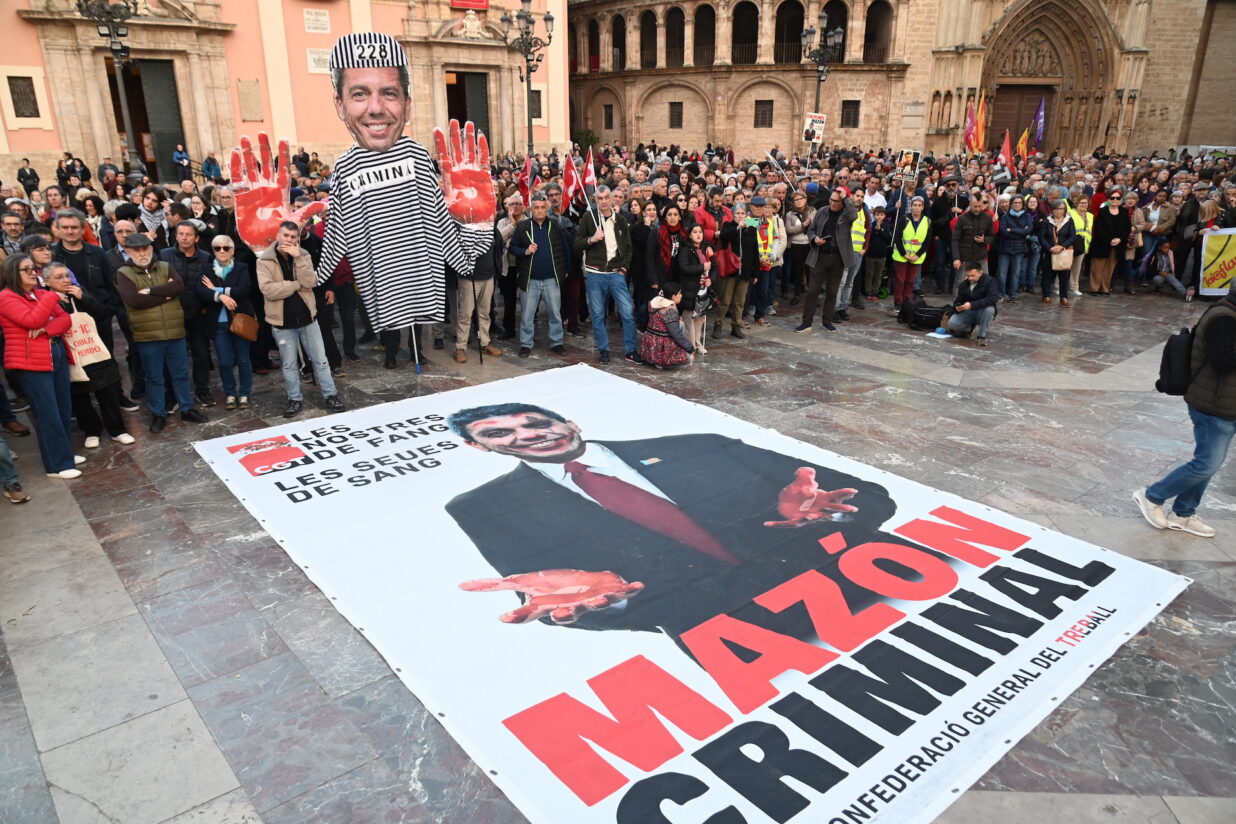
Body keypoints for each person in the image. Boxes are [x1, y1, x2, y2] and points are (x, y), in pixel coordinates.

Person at [444, 403, 895, 643]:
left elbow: (869, 495)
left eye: (536, 423)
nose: (529, 435)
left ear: (571, 423)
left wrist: (826, 517)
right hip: (744, 639)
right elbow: (552, 601)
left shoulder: (699, 444)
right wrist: (612, 601)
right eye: (500, 433)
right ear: (478, 447)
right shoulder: (481, 507)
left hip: (878, 579)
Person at [1134, 284, 1236, 538]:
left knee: (1209, 462)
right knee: (1206, 464)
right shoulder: (1224, 317)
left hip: (1227, 403)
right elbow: (1223, 361)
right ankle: (1152, 496)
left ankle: (1183, 513)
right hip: (1212, 403)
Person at [115, 234, 209, 432]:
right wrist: (165, 295)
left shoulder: (165, 266)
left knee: (180, 373)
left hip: (175, 331)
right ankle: (158, 414)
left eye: (145, 248)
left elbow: (178, 286)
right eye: (137, 250)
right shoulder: (124, 273)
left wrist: (149, 291)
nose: (142, 253)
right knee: (154, 377)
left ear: (151, 249)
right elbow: (134, 301)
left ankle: (187, 408)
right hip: (148, 335)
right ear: (129, 252)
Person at [0, 254, 81, 478]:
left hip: (55, 355)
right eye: (26, 270)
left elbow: (65, 320)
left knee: (63, 408)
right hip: (31, 363)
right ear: (13, 273)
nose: (33, 273)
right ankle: (57, 465)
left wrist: (46, 329)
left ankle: (65, 453)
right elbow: (32, 320)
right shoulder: (6, 298)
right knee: (48, 413)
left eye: (33, 268)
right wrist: (52, 298)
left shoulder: (40, 294)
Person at [258, 221, 345, 418]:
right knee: (289, 364)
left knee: (321, 360)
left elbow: (310, 282)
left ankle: (331, 395)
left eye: (293, 237)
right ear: (278, 236)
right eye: (285, 235)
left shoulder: (303, 255)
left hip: (308, 318)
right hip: (281, 322)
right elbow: (268, 290)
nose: (288, 240)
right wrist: (296, 285)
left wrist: (298, 258)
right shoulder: (264, 260)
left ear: (297, 239)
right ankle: (294, 399)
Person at [43, 262, 134, 447]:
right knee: (79, 394)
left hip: (93, 348)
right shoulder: (44, 299)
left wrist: (84, 298)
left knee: (108, 390)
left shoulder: (78, 292)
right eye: (59, 277)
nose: (65, 280)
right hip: (70, 353)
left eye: (66, 276)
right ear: (46, 281)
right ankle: (92, 431)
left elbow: (102, 315)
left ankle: (117, 430)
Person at [576, 186, 640, 365]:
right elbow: (577, 244)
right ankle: (603, 349)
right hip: (595, 274)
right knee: (597, 315)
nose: (603, 201)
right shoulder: (588, 218)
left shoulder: (620, 220)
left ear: (612, 199)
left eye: (606, 197)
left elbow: (628, 248)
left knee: (627, 312)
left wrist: (623, 268)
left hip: (616, 274)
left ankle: (631, 350)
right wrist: (592, 239)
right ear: (595, 200)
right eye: (600, 198)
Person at [159, 219, 215, 407]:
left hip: (198, 314)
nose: (184, 238)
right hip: (173, 314)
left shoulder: (206, 257)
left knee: (201, 354)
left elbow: (209, 283)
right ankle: (172, 395)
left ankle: (203, 390)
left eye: (188, 234)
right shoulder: (165, 255)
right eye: (181, 234)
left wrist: (206, 306)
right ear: (176, 236)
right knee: (173, 356)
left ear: (196, 238)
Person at [198, 233, 254, 410]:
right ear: (213, 251)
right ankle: (230, 393)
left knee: (243, 359)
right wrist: (221, 296)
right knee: (224, 361)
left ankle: (244, 393)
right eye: (217, 248)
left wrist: (216, 290)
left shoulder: (242, 267)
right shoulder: (206, 269)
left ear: (233, 250)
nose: (222, 251)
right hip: (218, 323)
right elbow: (201, 291)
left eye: (226, 248)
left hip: (240, 321)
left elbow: (244, 290)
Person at [509, 195, 570, 358]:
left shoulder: (555, 225)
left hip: (551, 278)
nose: (540, 210)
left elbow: (564, 248)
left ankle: (557, 342)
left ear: (547, 208)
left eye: (543, 207)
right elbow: (512, 248)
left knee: (555, 313)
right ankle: (526, 344)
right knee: (527, 315)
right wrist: (525, 251)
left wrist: (565, 270)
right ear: (531, 209)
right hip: (530, 279)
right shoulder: (523, 227)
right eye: (536, 207)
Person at [798, 188, 857, 333]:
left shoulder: (846, 214)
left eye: (837, 201)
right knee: (813, 291)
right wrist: (814, 239)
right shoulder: (822, 211)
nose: (833, 203)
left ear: (842, 202)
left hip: (838, 257)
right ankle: (806, 322)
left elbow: (854, 215)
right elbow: (811, 230)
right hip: (820, 255)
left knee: (832, 292)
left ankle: (827, 321)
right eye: (831, 200)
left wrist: (846, 198)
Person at [452, 225, 504, 363]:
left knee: (485, 313)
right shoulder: (463, 227)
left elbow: (498, 246)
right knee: (465, 314)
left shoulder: (490, 227)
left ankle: (485, 343)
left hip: (488, 276)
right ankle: (460, 347)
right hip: (469, 278)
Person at [715, 201, 757, 339]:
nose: (740, 216)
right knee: (725, 300)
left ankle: (736, 326)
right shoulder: (728, 225)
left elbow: (755, 251)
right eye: (737, 213)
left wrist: (755, 272)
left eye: (742, 213)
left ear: (746, 215)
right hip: (730, 269)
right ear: (733, 215)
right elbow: (724, 236)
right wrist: (738, 228)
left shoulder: (751, 228)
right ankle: (718, 325)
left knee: (740, 302)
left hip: (745, 270)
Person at [639, 282, 695, 368]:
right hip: (660, 348)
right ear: (673, 296)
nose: (681, 295)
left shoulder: (654, 303)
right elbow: (676, 333)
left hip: (648, 347)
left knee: (678, 324)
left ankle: (654, 359)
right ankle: (660, 362)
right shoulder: (670, 310)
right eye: (679, 293)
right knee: (689, 357)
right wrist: (690, 348)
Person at [889, 196, 930, 311]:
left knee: (910, 281)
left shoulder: (927, 221)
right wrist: (904, 254)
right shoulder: (904, 219)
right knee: (900, 280)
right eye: (914, 205)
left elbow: (927, 241)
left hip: (917, 257)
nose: (917, 207)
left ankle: (907, 302)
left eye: (919, 205)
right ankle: (898, 302)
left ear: (923, 207)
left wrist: (917, 255)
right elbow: (897, 238)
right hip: (901, 256)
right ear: (911, 206)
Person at [676, 222, 712, 352]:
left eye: (700, 232)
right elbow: (684, 267)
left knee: (700, 317)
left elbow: (714, 267)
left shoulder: (705, 249)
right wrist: (702, 267)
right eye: (695, 232)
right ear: (690, 235)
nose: (698, 234)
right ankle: (689, 347)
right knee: (689, 319)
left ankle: (697, 343)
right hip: (690, 289)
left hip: (703, 290)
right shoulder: (685, 250)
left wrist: (711, 280)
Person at [946, 260, 999, 346]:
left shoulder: (990, 281)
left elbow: (992, 299)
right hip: (969, 312)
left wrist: (971, 305)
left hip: (982, 311)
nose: (970, 278)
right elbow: (958, 301)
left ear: (980, 273)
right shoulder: (964, 284)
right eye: (968, 276)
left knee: (989, 309)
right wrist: (957, 307)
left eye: (973, 276)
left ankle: (981, 336)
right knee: (952, 323)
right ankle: (971, 327)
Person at [1088, 192, 1132, 296]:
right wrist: (1109, 240)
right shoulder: (1102, 211)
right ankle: (1094, 289)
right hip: (1102, 244)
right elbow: (1099, 228)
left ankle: (1104, 289)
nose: (1115, 200)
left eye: (1118, 198)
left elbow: (1127, 228)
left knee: (1109, 268)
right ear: (1108, 199)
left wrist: (1120, 239)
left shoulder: (1124, 212)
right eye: (1112, 198)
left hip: (1117, 245)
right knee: (1097, 267)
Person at [995, 194, 1032, 302]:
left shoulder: (1027, 216)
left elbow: (1028, 231)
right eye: (1015, 202)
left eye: (1019, 202)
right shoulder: (1005, 216)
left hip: (1020, 248)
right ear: (1011, 204)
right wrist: (1021, 232)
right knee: (1002, 273)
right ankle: (1001, 294)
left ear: (1023, 204)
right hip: (1005, 247)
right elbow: (1003, 232)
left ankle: (1013, 295)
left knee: (1016, 273)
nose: (1017, 204)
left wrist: (1012, 229)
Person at [1039, 201, 1076, 306]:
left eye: (1061, 209)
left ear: (1064, 210)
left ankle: (1064, 297)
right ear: (1052, 210)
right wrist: (1050, 248)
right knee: (1047, 275)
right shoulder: (1046, 221)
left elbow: (1072, 236)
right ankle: (1046, 295)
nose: (1058, 211)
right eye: (1056, 209)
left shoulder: (1069, 221)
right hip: (1049, 251)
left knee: (1064, 275)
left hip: (1064, 252)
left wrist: (1062, 246)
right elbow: (1041, 237)